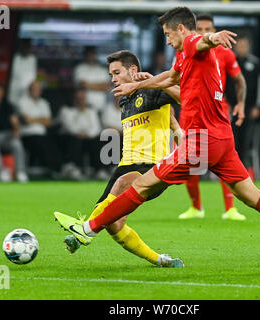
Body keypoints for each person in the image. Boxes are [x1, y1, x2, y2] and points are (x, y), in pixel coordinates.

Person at [55, 7, 260, 273]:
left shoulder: (191, 43)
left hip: (201, 141)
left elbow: (202, 41)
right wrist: (137, 85)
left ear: (181, 29)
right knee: (253, 196)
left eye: (167, 33)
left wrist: (213, 36)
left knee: (142, 184)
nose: (167, 39)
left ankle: (87, 229)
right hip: (223, 139)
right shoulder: (183, 58)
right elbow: (171, 77)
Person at [59, 50, 184, 268]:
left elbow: (185, 97)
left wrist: (156, 84)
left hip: (152, 167)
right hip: (125, 165)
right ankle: (160, 260)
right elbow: (170, 119)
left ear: (133, 70)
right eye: (111, 75)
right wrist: (176, 128)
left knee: (123, 183)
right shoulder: (125, 101)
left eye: (116, 73)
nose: (113, 79)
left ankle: (84, 229)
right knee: (113, 224)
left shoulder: (152, 90)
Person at [177, 13, 247, 221]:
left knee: (226, 161)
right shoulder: (186, 50)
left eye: (209, 29)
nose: (205, 33)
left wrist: (241, 103)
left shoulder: (224, 52)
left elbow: (239, 80)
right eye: (201, 29)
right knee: (191, 162)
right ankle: (196, 207)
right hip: (192, 112)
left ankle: (230, 208)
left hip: (218, 113)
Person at [226, 34, 260, 178]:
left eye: (244, 45)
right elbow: (225, 84)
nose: (241, 48)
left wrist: (257, 106)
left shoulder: (255, 63)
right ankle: (232, 171)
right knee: (231, 140)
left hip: (248, 108)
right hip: (232, 107)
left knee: (247, 140)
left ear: (248, 46)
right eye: (239, 45)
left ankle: (246, 171)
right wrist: (225, 103)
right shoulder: (230, 61)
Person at [57, 86, 106, 180]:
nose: (80, 101)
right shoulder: (66, 111)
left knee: (97, 141)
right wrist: (81, 133)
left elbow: (96, 128)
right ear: (74, 99)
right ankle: (75, 169)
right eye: (78, 99)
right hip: (72, 137)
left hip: (89, 137)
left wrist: (87, 135)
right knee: (75, 141)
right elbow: (70, 127)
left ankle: (99, 170)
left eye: (82, 98)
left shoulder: (92, 111)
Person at [17, 80, 61, 177]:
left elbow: (49, 122)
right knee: (42, 144)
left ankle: (57, 169)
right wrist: (42, 119)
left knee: (56, 142)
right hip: (27, 135)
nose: (35, 91)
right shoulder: (22, 102)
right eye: (33, 89)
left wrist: (34, 119)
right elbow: (27, 120)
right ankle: (53, 170)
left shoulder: (44, 103)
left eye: (37, 89)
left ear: (40, 91)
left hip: (42, 134)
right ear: (29, 90)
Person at [73, 46, 110, 113]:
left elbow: (106, 87)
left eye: (93, 53)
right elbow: (82, 85)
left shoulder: (102, 70)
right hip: (84, 107)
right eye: (89, 54)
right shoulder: (79, 68)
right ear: (85, 55)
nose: (91, 56)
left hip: (100, 106)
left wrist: (88, 84)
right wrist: (100, 86)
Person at [8, 39, 38, 108]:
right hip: (13, 93)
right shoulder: (15, 58)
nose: (26, 49)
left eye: (28, 47)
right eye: (25, 46)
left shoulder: (33, 59)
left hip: (28, 94)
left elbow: (33, 76)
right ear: (21, 47)